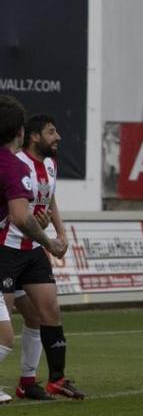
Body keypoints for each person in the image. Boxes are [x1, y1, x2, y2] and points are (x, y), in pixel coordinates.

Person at [0, 98, 79, 400]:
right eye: (51, 132)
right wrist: (41, 229)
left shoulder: (50, 163)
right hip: (6, 249)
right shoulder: (14, 164)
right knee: (3, 322)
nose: (57, 137)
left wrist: (59, 230)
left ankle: (41, 381)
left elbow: (50, 198)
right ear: (31, 136)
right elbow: (18, 212)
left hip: (33, 249)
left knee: (45, 312)